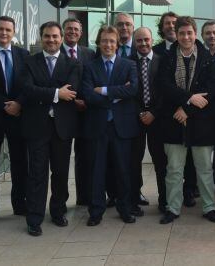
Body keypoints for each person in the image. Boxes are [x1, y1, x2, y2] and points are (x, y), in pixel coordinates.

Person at [157, 16, 215, 224]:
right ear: (176, 34)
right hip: (173, 122)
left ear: (195, 34)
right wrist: (188, 99)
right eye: (182, 33)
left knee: (204, 169)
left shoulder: (208, 58)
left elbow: (211, 92)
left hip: (201, 123)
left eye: (189, 33)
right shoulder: (167, 58)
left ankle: (209, 207)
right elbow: (164, 87)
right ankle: (173, 208)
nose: (186, 37)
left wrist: (187, 109)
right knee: (174, 170)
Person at [20, 21, 82, 236]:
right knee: (37, 174)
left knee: (61, 173)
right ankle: (34, 218)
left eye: (55, 36)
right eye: (47, 36)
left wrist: (44, 90)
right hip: (37, 126)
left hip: (62, 128)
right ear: (41, 38)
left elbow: (72, 90)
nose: (51, 40)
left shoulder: (72, 63)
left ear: (62, 38)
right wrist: (56, 93)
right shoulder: (29, 62)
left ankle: (58, 212)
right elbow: (27, 89)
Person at [82, 25, 139, 226]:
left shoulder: (129, 65)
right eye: (104, 41)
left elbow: (133, 90)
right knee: (96, 171)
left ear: (117, 44)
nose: (108, 45)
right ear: (98, 43)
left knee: (123, 170)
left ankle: (125, 208)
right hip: (97, 127)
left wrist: (104, 91)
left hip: (121, 126)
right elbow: (88, 95)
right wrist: (116, 94)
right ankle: (96, 211)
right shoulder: (90, 66)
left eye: (112, 41)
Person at [0, 16, 29, 224]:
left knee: (20, 162)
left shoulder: (24, 55)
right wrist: (4, 104)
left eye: (8, 30)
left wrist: (18, 103)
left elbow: (29, 83)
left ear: (14, 32)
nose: (4, 33)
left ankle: (20, 204)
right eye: (0, 29)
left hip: (18, 117)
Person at [129, 27, 166, 216]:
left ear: (152, 40)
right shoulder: (127, 63)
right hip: (135, 119)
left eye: (146, 40)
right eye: (139, 40)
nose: (143, 43)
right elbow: (128, 93)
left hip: (157, 120)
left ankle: (164, 200)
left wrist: (153, 112)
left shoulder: (162, 61)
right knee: (134, 161)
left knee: (160, 161)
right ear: (134, 42)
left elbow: (164, 91)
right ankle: (134, 199)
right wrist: (140, 113)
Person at [60, 17, 95, 207]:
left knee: (85, 157)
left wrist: (86, 100)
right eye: (69, 29)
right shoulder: (55, 53)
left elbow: (95, 79)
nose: (72, 32)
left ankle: (84, 197)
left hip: (86, 113)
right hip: (63, 113)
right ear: (63, 31)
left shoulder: (89, 53)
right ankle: (61, 201)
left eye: (76, 29)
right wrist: (73, 101)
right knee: (62, 161)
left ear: (81, 33)